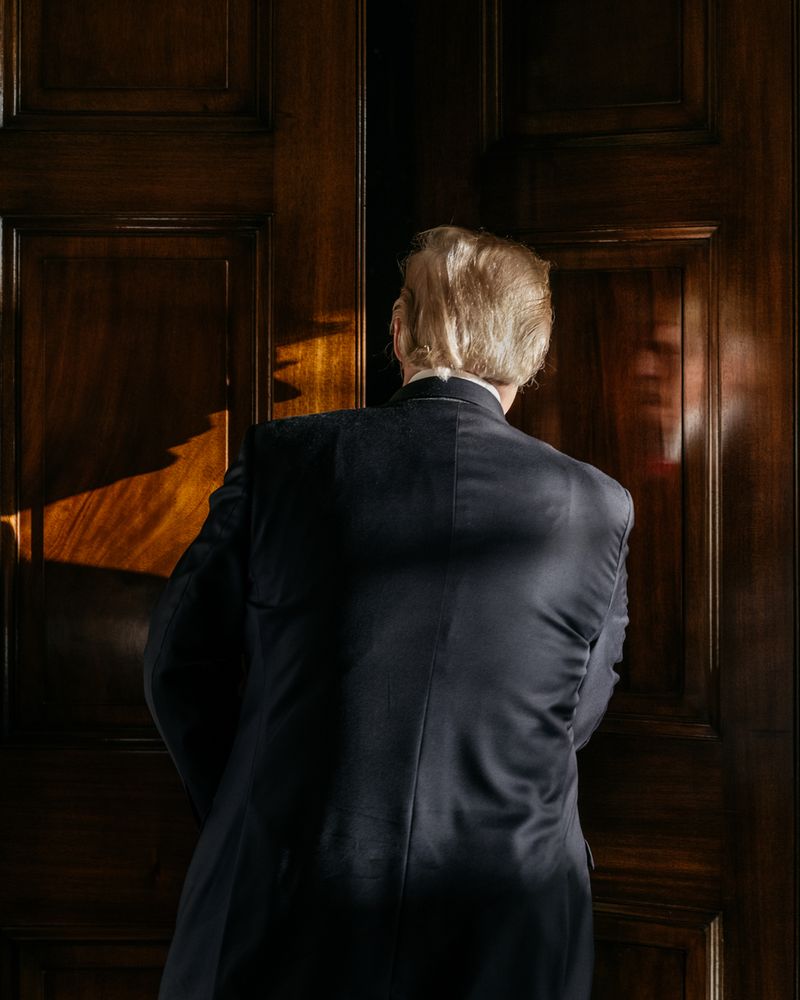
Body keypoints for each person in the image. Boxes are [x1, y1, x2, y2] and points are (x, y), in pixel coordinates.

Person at [144, 225, 633, 1000]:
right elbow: (573, 714)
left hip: (284, 902)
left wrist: (258, 811)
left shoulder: (286, 458)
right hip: (505, 917)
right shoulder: (598, 505)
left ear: (400, 329)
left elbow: (178, 666)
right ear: (533, 352)